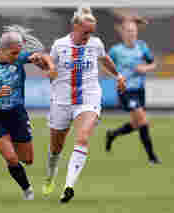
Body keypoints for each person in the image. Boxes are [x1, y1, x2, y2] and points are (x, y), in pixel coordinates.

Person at [41, 6, 126, 203]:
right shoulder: (59, 45)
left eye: (91, 32)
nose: (89, 35)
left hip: (89, 97)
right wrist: (48, 70)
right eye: (86, 31)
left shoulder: (95, 44)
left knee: (83, 137)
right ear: (76, 26)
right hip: (62, 100)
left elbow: (105, 59)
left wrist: (118, 75)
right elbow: (48, 66)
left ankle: (68, 187)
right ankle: (50, 177)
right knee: (56, 148)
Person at [0, 25, 56, 200]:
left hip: (16, 114)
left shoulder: (17, 57)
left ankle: (16, 163)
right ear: (2, 49)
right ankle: (28, 191)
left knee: (27, 159)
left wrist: (47, 66)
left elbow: (43, 57)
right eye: (13, 53)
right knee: (11, 157)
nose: (17, 57)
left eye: (19, 53)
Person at [105, 17, 161, 165]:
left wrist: (145, 68)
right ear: (123, 33)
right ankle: (152, 157)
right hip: (125, 90)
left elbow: (153, 63)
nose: (132, 34)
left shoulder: (142, 47)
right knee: (143, 119)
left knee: (137, 124)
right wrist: (117, 76)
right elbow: (106, 66)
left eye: (134, 31)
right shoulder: (116, 50)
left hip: (139, 90)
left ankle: (112, 134)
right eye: (129, 31)